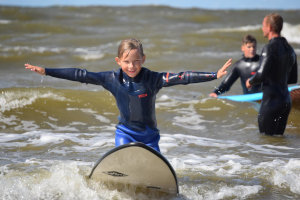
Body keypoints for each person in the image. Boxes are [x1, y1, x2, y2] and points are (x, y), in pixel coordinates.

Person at [25, 38, 232, 152]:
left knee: (153, 171)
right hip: (125, 133)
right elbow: (81, 74)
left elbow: (182, 76)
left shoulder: (153, 79)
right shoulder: (111, 79)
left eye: (136, 61)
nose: (131, 66)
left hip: (150, 136)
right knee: (124, 158)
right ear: (118, 61)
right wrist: (47, 71)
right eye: (126, 62)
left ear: (143, 59)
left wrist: (214, 75)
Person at [246, 13, 298, 135]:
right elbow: (293, 78)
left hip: (271, 103)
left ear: (269, 28)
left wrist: (250, 81)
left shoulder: (269, 48)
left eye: (263, 25)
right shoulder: (290, 49)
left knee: (266, 139)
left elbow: (261, 74)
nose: (262, 28)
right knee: (278, 141)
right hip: (286, 101)